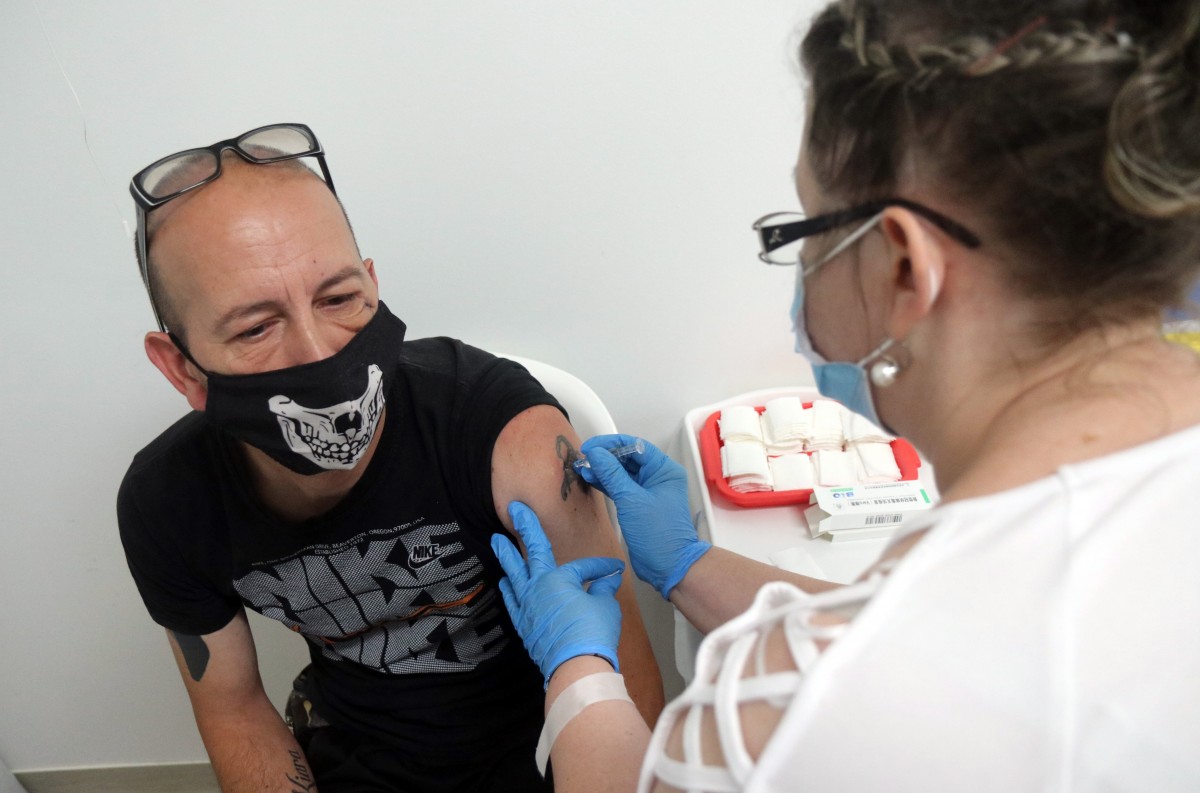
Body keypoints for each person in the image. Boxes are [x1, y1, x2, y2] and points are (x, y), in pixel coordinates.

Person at [491, 1, 1200, 791]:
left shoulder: (795, 716)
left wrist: (580, 674)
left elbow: (872, 672)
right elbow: (928, 632)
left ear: (903, 266)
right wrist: (692, 566)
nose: (802, 271)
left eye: (806, 231)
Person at [116, 123, 664, 793]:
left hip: (560, 740)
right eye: (256, 327)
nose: (318, 351)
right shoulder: (169, 503)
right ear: (182, 368)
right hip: (359, 754)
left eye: (339, 298)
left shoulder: (500, 430)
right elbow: (233, 708)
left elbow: (620, 666)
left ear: (372, 286)